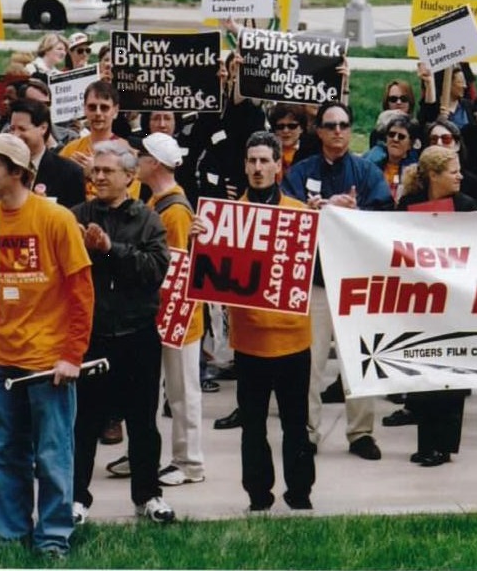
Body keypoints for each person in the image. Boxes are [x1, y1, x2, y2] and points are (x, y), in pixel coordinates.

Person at [0, 134, 94, 558]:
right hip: (4, 360)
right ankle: (11, 530)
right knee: (6, 453)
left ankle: (53, 536)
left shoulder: (54, 220)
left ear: (16, 171)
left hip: (48, 363)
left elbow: (82, 292)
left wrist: (72, 355)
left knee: (54, 455)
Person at [282, 101, 392, 461]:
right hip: (314, 283)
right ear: (318, 130)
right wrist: (307, 212)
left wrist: (354, 214)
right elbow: (284, 212)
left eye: (344, 125)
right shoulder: (299, 172)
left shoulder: (366, 171)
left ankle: (360, 433)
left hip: (354, 284)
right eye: (330, 125)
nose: (338, 132)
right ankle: (308, 432)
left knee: (360, 361)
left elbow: (387, 217)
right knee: (309, 365)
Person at [71, 141, 174, 524]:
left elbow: (154, 270)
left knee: (142, 421)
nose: (98, 177)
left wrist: (111, 248)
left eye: (107, 171)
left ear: (130, 177)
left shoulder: (148, 220)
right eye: (95, 170)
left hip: (137, 334)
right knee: (83, 422)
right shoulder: (77, 216)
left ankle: (148, 495)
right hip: (92, 336)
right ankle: (76, 498)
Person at [219, 131, 316, 510]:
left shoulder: (300, 213)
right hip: (249, 341)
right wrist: (202, 239)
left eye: (265, 161)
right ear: (244, 166)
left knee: (295, 423)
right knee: (253, 425)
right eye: (252, 161)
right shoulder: (227, 218)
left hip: (293, 339)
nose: (258, 168)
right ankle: (258, 495)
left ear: (278, 166)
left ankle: (300, 493)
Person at [133, 133, 206, 488]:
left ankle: (189, 461)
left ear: (155, 163)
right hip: (167, 315)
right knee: (170, 391)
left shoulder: (173, 210)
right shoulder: (159, 203)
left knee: (182, 391)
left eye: (141, 155)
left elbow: (173, 270)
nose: (135, 161)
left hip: (179, 318)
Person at [396, 145, 476, 466]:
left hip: (455, 301)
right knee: (424, 372)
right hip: (422, 301)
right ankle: (425, 442)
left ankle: (444, 447)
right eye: (453, 170)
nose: (460, 176)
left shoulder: (467, 206)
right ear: (433, 175)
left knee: (451, 376)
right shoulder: (408, 206)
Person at [60, 81, 142, 201]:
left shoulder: (129, 153)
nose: (98, 113)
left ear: (115, 111)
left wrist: (94, 173)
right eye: (92, 107)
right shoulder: (71, 150)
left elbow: (127, 203)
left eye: (104, 108)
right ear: (85, 109)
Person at [7, 98, 85, 207]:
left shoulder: (69, 172)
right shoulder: (5, 170)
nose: (15, 135)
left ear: (43, 128)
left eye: (22, 129)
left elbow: (75, 219)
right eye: (12, 129)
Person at [363, 113, 420, 203]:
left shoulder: (415, 174)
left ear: (410, 144)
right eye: (391, 134)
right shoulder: (372, 165)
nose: (395, 139)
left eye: (401, 136)